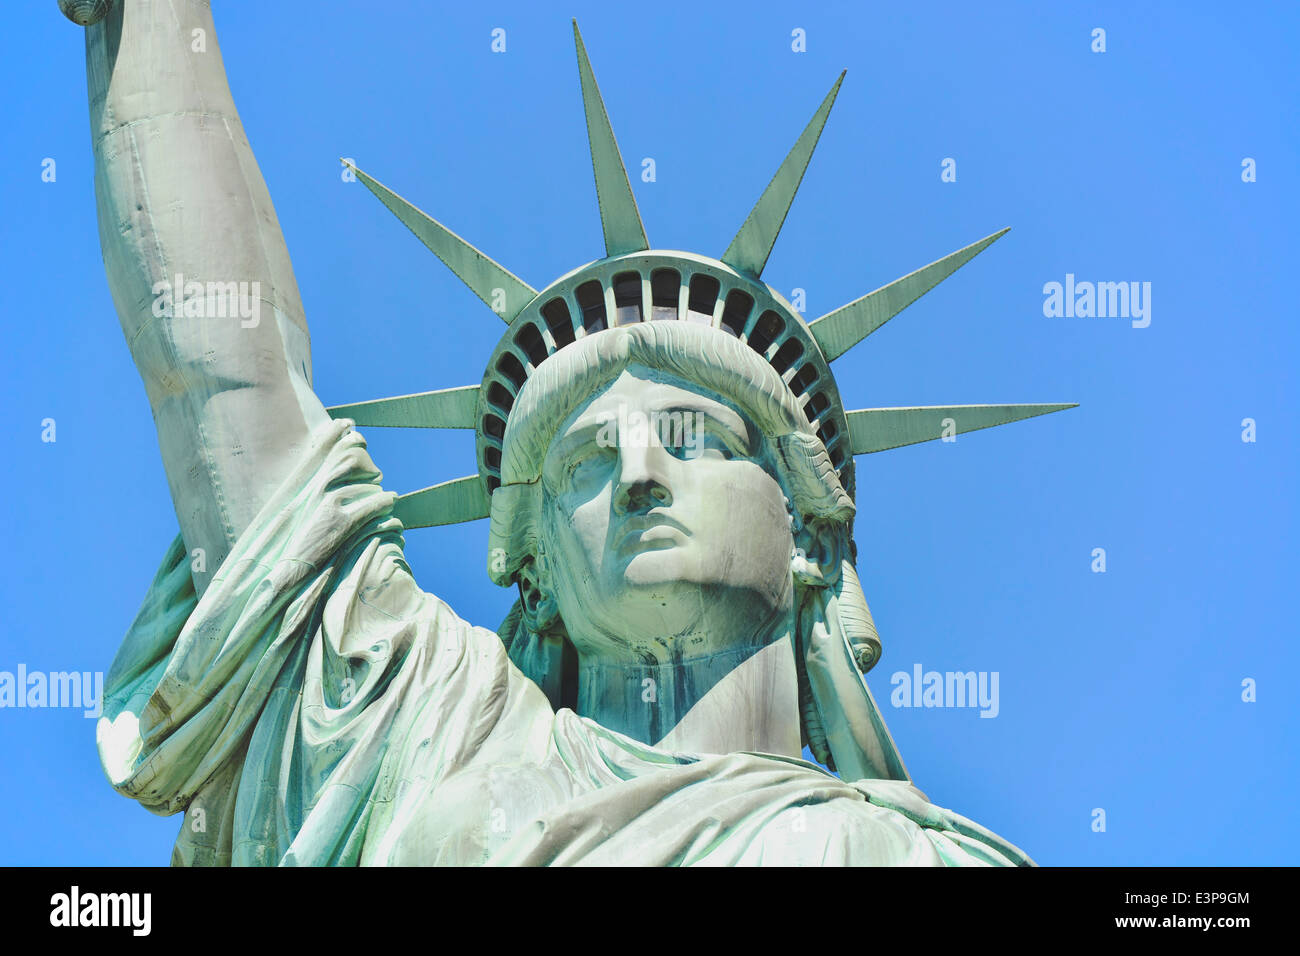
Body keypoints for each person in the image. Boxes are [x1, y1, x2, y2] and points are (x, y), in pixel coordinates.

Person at [74, 0, 1039, 866]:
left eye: (692, 436)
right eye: (582, 461)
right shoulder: (425, 732)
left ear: (808, 534)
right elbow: (218, 385)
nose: (637, 476)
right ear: (532, 571)